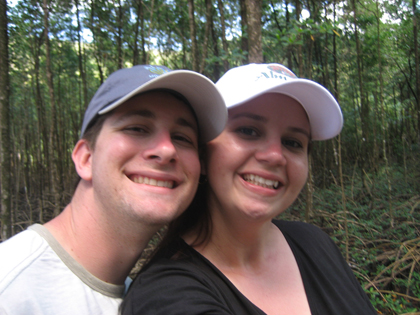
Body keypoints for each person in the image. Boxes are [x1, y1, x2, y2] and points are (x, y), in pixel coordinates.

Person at [121, 63, 377, 315]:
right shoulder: (164, 294)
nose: (275, 155)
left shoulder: (314, 243)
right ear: (203, 154)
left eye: (292, 142)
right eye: (248, 131)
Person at [0, 65, 227, 314]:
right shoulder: (12, 288)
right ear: (86, 158)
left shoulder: (149, 297)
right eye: (137, 128)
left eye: (182, 137)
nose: (166, 150)